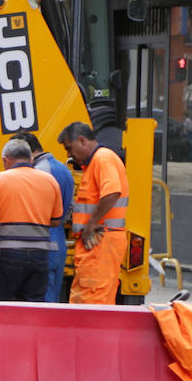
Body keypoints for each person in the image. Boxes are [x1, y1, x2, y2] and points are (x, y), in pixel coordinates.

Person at [0, 139, 66, 302]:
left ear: (6, 160)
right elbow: (55, 221)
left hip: (7, 254)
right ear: (31, 159)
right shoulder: (50, 181)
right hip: (40, 256)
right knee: (32, 311)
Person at [57, 122, 130, 305]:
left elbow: (112, 192)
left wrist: (92, 224)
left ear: (82, 140)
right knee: (93, 298)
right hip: (99, 241)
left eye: (69, 148)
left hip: (101, 240)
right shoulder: (97, 162)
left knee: (92, 299)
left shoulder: (102, 159)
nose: (68, 154)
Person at [14, 132, 75, 302]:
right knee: (52, 302)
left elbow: (32, 210)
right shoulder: (64, 169)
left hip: (41, 241)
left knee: (39, 304)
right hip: (58, 240)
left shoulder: (37, 172)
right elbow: (70, 207)